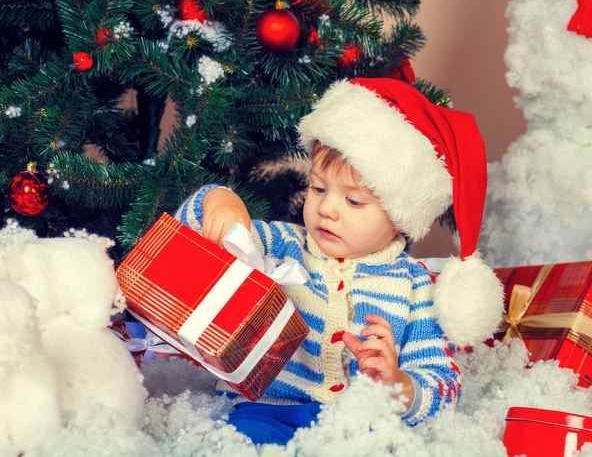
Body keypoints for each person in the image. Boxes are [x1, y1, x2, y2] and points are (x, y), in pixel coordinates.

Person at [174, 77, 504, 445]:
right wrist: (219, 202)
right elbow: (195, 231)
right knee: (231, 443)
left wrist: (398, 384)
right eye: (318, 188)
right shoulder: (283, 243)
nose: (327, 208)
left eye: (354, 201)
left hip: (356, 422)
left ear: (397, 216)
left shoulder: (415, 287)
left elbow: (444, 385)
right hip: (268, 410)